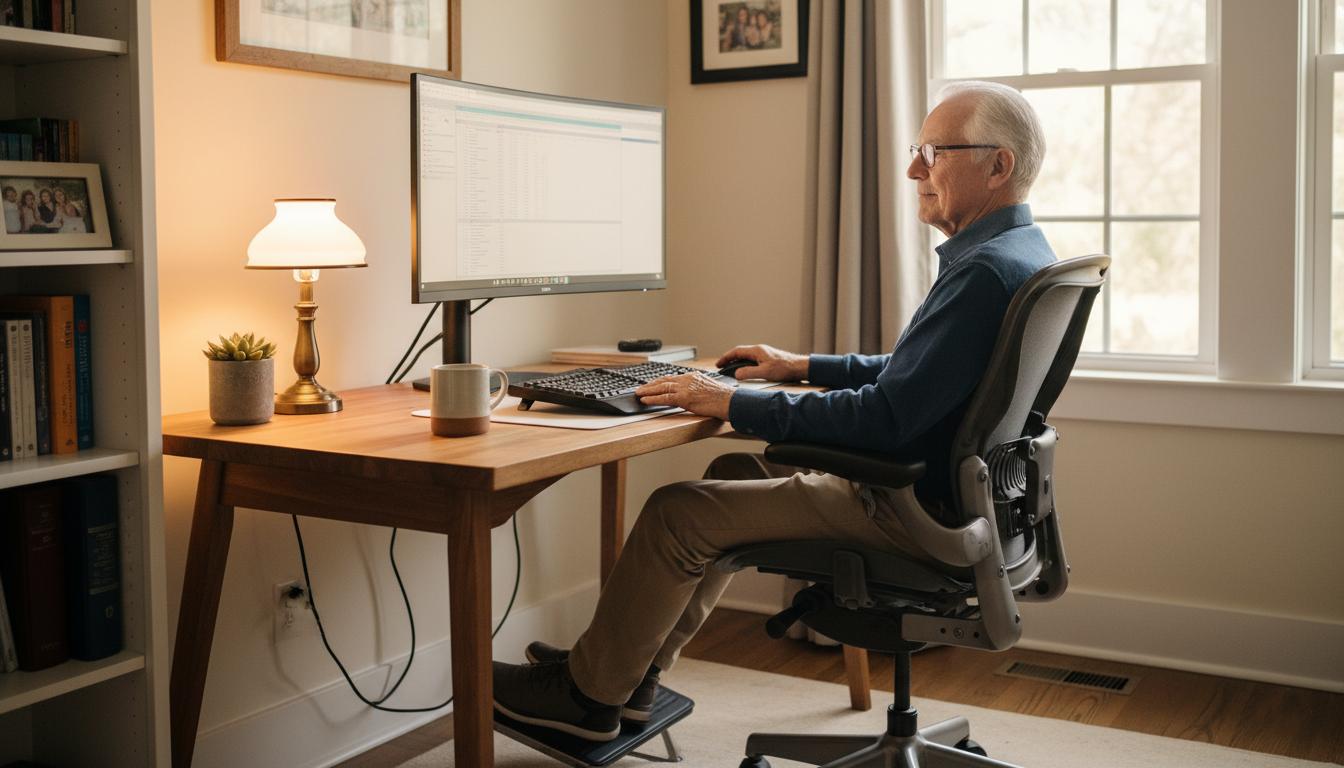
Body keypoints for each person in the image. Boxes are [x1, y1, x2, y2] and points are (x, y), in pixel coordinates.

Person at [491, 80, 1056, 743]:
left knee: (678, 513)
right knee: (733, 467)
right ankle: (629, 675)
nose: (913, 170)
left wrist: (736, 400)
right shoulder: (1020, 257)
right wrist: (805, 366)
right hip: (957, 500)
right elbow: (922, 379)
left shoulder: (982, 272)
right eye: (917, 150)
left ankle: (586, 701)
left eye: (933, 152)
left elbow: (885, 417)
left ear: (999, 165)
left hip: (904, 507)